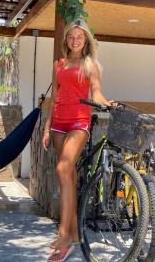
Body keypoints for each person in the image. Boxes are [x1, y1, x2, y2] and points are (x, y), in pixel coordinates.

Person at [42, 18, 111, 262]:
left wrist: (105, 102)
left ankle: (63, 235)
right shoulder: (58, 64)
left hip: (79, 123)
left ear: (86, 40)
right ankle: (74, 235)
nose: (74, 40)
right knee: (67, 176)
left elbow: (97, 91)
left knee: (63, 168)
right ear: (66, 40)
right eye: (71, 37)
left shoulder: (90, 64)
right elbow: (54, 98)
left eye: (79, 37)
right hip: (59, 123)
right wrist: (47, 128)